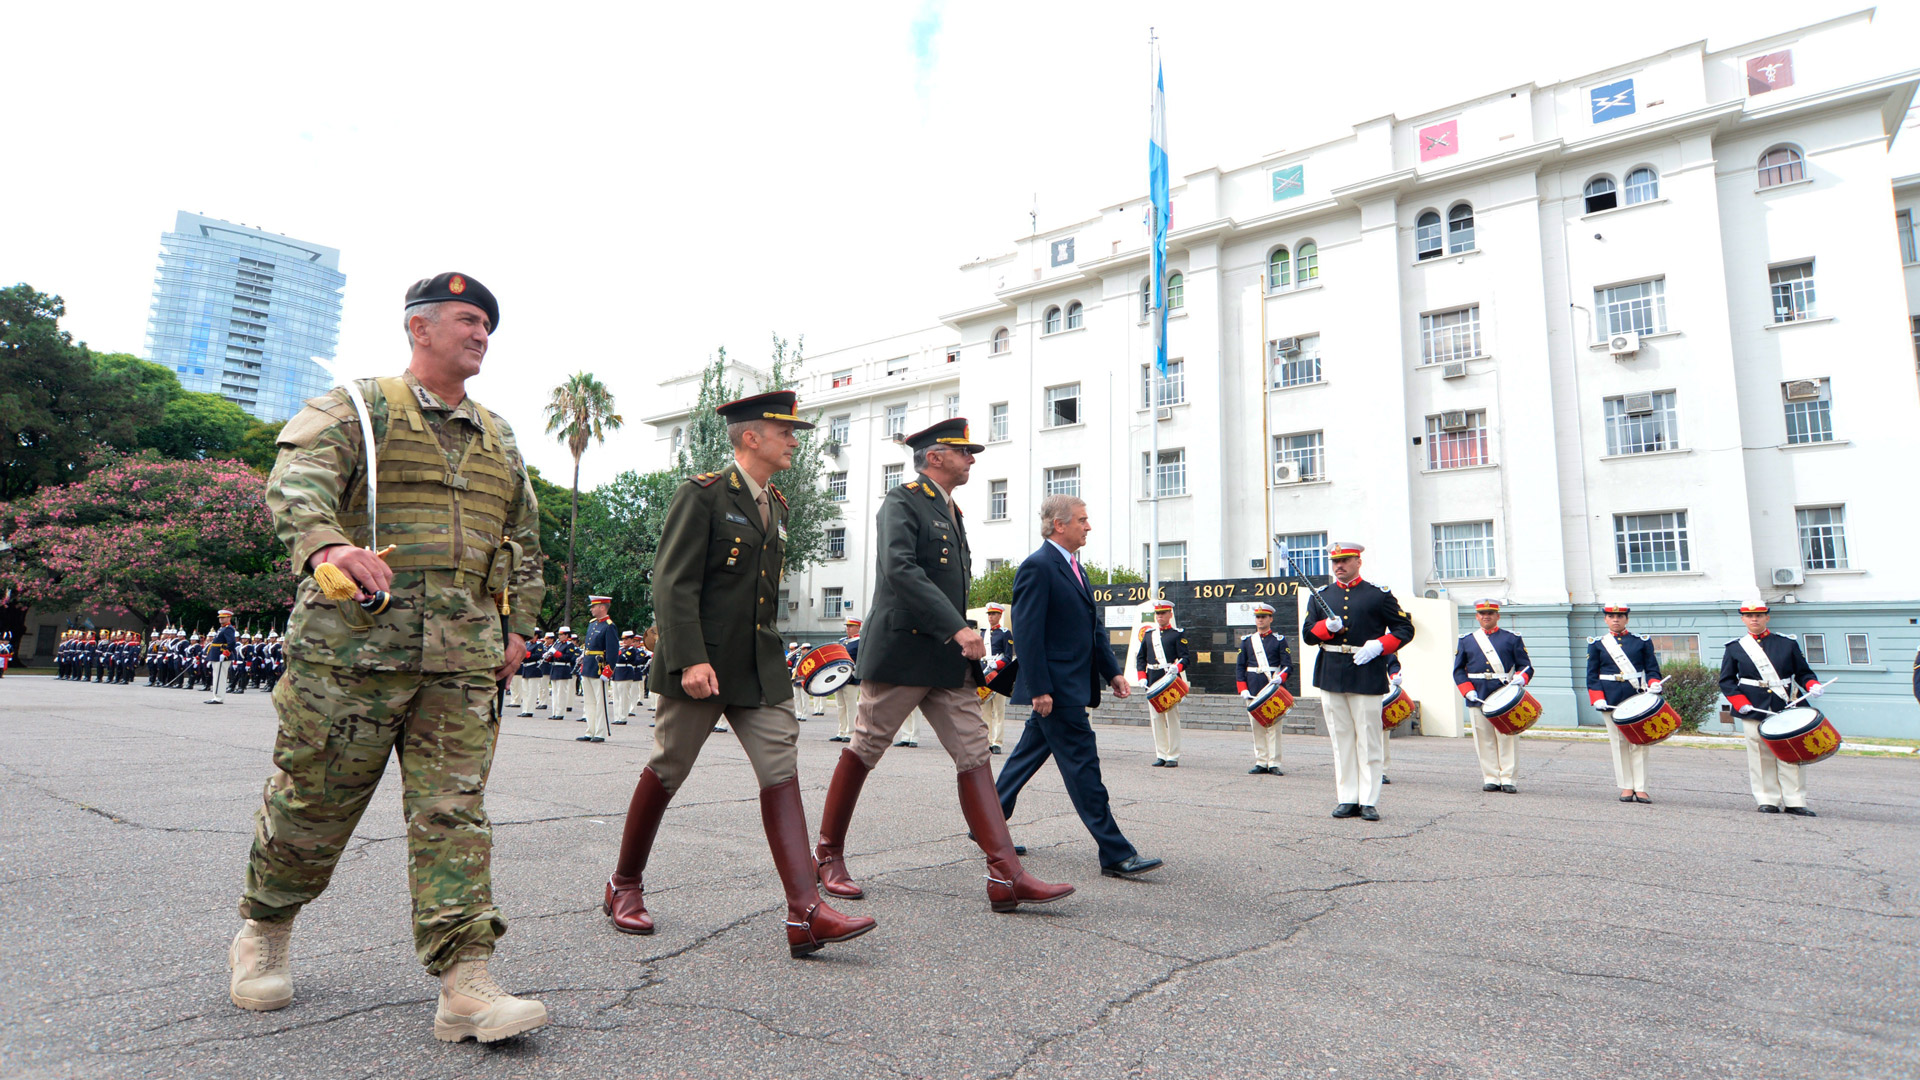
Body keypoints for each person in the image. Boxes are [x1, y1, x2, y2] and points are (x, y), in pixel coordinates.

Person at [229, 271, 548, 1043]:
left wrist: (519, 627)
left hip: (460, 664)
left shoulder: (499, 435)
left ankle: (464, 981)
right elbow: (293, 486)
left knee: (453, 814)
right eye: (467, 321)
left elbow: (524, 540)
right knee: (313, 804)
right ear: (420, 328)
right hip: (351, 658)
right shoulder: (358, 408)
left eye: (487, 327)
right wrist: (328, 543)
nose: (480, 336)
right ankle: (264, 929)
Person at [602, 390, 873, 958]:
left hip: (759, 665)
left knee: (781, 768)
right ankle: (623, 883)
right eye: (786, 432)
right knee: (669, 767)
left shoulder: (776, 503)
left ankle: (806, 911)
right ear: (752, 437)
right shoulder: (701, 496)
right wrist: (691, 657)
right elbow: (672, 583)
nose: (795, 441)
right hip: (702, 663)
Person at [812, 419, 1072, 914]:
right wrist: (957, 627)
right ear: (935, 456)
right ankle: (827, 855)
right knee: (866, 746)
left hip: (947, 660)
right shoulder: (902, 501)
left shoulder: (951, 509)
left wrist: (957, 635)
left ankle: (1006, 874)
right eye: (963, 451)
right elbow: (900, 569)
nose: (972, 459)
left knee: (975, 751)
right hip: (905, 652)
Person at [994, 495, 1162, 879]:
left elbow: (1092, 629)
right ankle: (1116, 853)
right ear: (1059, 525)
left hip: (1070, 686)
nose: (1088, 526)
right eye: (1082, 520)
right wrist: (1039, 689)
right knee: (1084, 767)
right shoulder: (1038, 567)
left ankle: (986, 825)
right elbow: (1029, 633)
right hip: (1057, 690)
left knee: (1024, 758)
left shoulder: (1074, 567)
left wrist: (1113, 672)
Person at [1300, 542, 1415, 822]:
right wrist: (1325, 628)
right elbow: (1307, 635)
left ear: (1358, 562)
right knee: (1341, 740)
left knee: (1368, 739)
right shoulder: (1321, 596)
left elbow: (1405, 628)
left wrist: (1379, 645)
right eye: (1335, 562)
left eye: (1345, 561)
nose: (1339, 566)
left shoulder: (1377, 595)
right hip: (1331, 671)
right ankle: (1347, 797)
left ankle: (1369, 800)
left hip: (1366, 671)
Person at [1719, 600, 1823, 816]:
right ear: (1743, 619)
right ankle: (1767, 799)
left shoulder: (1787, 643)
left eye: (1759, 615)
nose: (1754, 619)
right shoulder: (1735, 647)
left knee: (1790, 752)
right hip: (1753, 706)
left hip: (1785, 704)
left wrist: (1812, 685)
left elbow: (1803, 673)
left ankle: (1795, 800)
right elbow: (1727, 681)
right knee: (1759, 754)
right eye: (1749, 616)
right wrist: (1739, 702)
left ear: (1767, 617)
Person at [1453, 599, 1533, 794]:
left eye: (1490, 612)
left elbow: (1526, 666)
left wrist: (1520, 678)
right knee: (1484, 737)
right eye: (1482, 613)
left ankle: (1508, 778)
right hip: (1477, 693)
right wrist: (1467, 690)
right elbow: (1458, 671)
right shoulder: (1467, 640)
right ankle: (1491, 777)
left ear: (1498, 616)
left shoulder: (1511, 638)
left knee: (1507, 737)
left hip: (1503, 693)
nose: (1486, 616)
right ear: (1476, 616)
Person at [1587, 603, 1662, 804]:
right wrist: (1597, 697)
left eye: (1620, 616)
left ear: (1627, 619)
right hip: (1610, 700)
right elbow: (1592, 675)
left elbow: (1652, 669)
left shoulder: (1641, 642)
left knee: (1639, 741)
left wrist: (1654, 684)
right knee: (1618, 743)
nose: (1616, 619)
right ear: (1605, 619)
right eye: (1611, 616)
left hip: (1636, 696)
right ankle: (1627, 786)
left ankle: (1642, 787)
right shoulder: (1597, 644)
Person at [1235, 601, 1291, 775]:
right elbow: (1240, 666)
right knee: (1257, 726)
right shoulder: (1247, 641)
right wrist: (1242, 688)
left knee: (1274, 727)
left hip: (1272, 687)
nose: (1260, 620)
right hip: (1253, 687)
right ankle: (1261, 761)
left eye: (1263, 617)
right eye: (1258, 617)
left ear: (1270, 619)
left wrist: (1280, 678)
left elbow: (1288, 665)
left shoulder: (1279, 641)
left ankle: (1274, 762)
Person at [1135, 601, 1190, 768]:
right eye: (1158, 614)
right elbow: (1140, 658)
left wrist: (1177, 667)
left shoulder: (1177, 634)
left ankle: (1173, 755)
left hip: (1169, 679)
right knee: (1156, 718)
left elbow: (1186, 658)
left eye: (1163, 613)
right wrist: (1142, 676)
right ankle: (1161, 754)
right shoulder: (1149, 634)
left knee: (1172, 718)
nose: (1160, 616)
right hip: (1153, 679)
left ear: (1170, 615)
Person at [578, 596, 617, 744]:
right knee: (589, 702)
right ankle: (590, 730)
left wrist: (609, 669)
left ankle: (599, 732)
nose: (591, 609)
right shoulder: (592, 624)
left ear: (602, 607)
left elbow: (612, 651)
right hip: (588, 665)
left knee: (600, 702)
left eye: (594, 606)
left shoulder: (609, 626)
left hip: (599, 667)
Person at [982, 604, 1012, 753]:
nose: (991, 617)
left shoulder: (1005, 633)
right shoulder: (983, 634)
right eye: (989, 614)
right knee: (985, 712)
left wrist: (997, 665)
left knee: (999, 711)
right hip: (985, 676)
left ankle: (997, 743)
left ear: (1000, 615)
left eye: (994, 614)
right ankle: (986, 741)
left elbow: (1008, 657)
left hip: (999, 676)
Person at [831, 617, 862, 743]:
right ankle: (841, 731)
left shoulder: (860, 642)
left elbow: (860, 661)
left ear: (858, 628)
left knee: (851, 706)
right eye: (847, 626)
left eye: (850, 626)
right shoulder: (842, 641)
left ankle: (851, 732)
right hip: (839, 678)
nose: (847, 628)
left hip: (851, 678)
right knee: (840, 706)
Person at [206, 611, 239, 705]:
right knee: (216, 676)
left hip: (222, 655)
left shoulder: (229, 629)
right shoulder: (222, 628)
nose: (221, 619)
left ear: (229, 618)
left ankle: (219, 697)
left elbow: (232, 642)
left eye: (223, 617)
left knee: (220, 677)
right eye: (220, 617)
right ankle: (216, 696)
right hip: (216, 655)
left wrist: (225, 653)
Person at [546, 627, 578, 720]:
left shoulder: (570, 645)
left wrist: (556, 653)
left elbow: (568, 657)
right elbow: (552, 658)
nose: (559, 636)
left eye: (561, 634)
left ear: (567, 635)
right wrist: (548, 656)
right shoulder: (557, 644)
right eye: (559, 635)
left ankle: (560, 713)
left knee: (561, 693)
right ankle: (555, 712)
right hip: (555, 668)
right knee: (555, 692)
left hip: (563, 668)